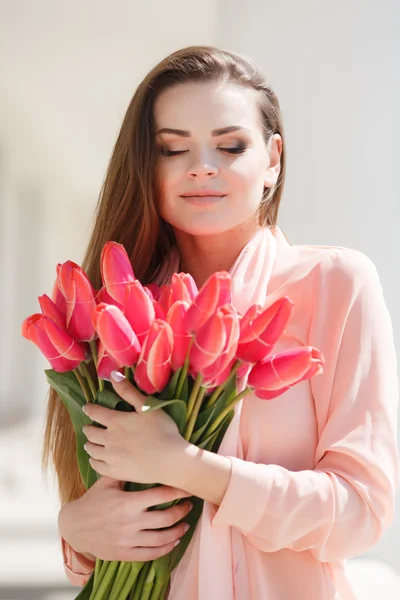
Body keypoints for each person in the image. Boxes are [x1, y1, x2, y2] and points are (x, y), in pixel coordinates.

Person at [43, 45, 400, 599]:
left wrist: (187, 466)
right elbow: (94, 517)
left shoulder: (334, 284)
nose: (202, 166)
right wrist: (75, 534)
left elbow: (362, 513)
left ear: (273, 159)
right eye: (172, 148)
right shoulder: (107, 310)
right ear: (145, 165)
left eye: (230, 146)